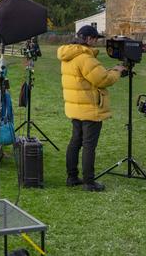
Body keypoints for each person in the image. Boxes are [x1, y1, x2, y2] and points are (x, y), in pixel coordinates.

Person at [58, 25, 125, 191]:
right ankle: (89, 182)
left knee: (75, 142)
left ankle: (72, 177)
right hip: (89, 108)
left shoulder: (68, 55)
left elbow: (90, 77)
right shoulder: (85, 57)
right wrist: (117, 72)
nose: (96, 42)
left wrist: (110, 71)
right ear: (88, 39)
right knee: (89, 146)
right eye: (95, 39)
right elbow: (102, 80)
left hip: (75, 107)